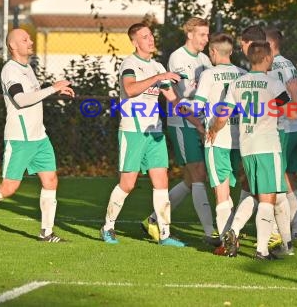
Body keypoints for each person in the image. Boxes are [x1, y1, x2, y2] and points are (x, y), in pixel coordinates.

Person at [0, 28, 75, 242]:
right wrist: (53, 88)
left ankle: (46, 233)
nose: (30, 41)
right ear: (13, 46)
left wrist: (54, 90)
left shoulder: (27, 68)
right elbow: (20, 99)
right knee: (9, 188)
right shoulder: (10, 70)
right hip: (20, 139)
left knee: (50, 181)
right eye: (25, 39)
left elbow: (32, 97)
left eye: (29, 38)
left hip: (40, 137)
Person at [100, 23, 202, 247]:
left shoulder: (157, 66)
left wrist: (200, 126)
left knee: (161, 181)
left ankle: (164, 234)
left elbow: (174, 100)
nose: (150, 39)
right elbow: (130, 89)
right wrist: (159, 77)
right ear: (135, 42)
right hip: (133, 131)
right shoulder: (130, 64)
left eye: (151, 35)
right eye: (144, 37)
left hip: (154, 132)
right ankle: (107, 227)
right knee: (127, 184)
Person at [208, 41, 297, 259]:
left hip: (247, 147)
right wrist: (295, 93)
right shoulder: (274, 84)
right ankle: (261, 250)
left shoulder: (238, 84)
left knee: (265, 195)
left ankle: (280, 245)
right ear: (268, 58)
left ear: (250, 59)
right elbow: (292, 114)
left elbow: (223, 115)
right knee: (267, 199)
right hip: (268, 146)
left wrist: (213, 130)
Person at [140, 17, 220, 246]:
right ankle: (209, 232)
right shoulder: (178, 57)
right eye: (203, 34)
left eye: (207, 34)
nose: (206, 38)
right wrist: (195, 122)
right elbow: (178, 96)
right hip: (183, 123)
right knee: (197, 174)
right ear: (190, 35)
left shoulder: (205, 59)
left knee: (191, 178)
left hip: (200, 120)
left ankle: (153, 220)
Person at [193, 33, 246, 252]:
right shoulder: (243, 74)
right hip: (241, 139)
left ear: (213, 52)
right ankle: (237, 234)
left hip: (218, 138)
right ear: (231, 51)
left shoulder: (208, 75)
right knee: (244, 188)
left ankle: (227, 241)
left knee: (221, 192)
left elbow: (197, 107)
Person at [265, 26, 297, 248]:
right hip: (296, 128)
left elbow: (284, 103)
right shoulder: (289, 64)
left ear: (270, 44)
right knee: (289, 179)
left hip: (284, 128)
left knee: (275, 181)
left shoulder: (271, 68)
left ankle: (276, 231)